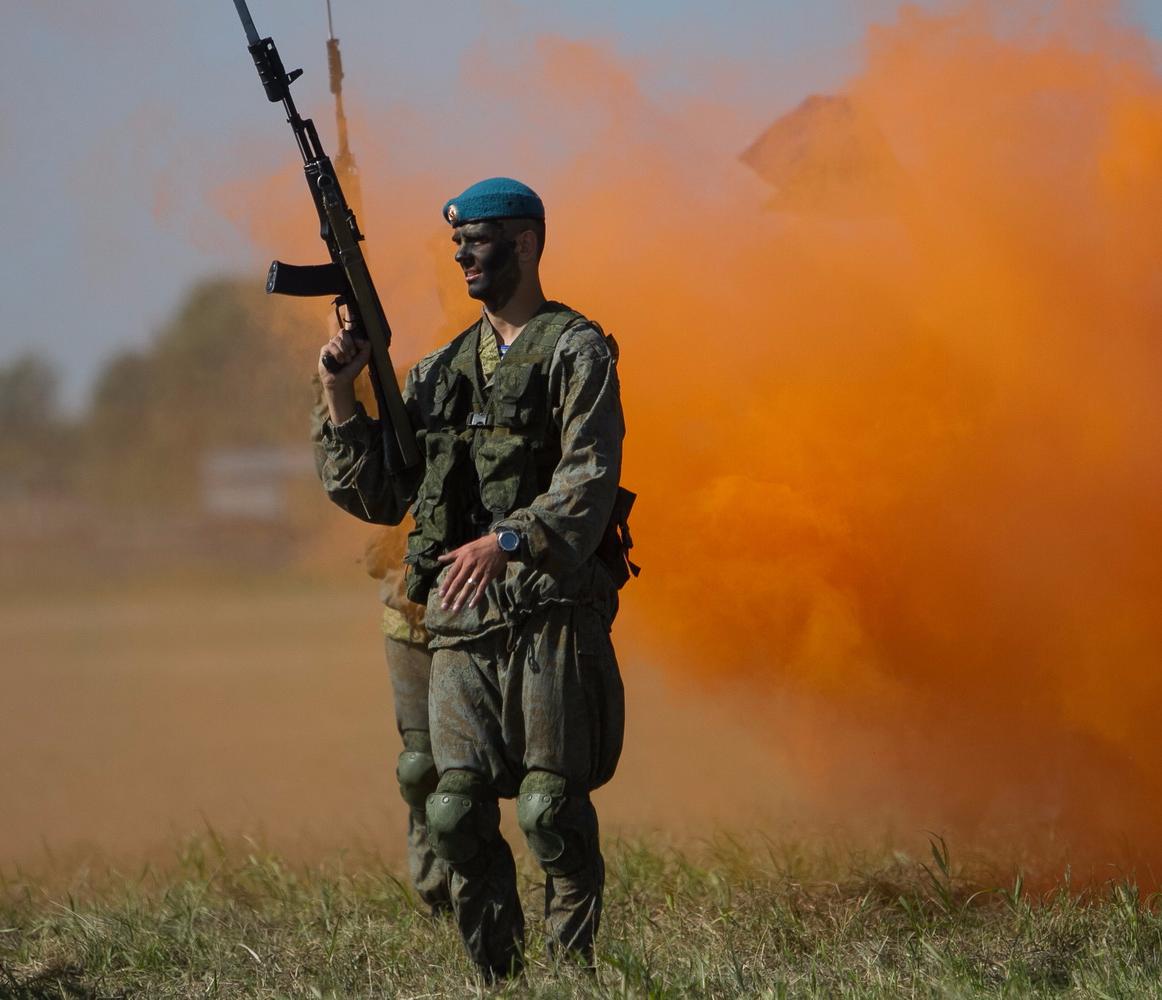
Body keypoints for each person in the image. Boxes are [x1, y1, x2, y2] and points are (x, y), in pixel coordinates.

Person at [314, 177, 627, 980]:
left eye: (479, 241)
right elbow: (381, 493)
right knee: (452, 810)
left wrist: (510, 540)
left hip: (551, 614)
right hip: (460, 625)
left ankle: (573, 972)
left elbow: (588, 481)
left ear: (525, 243)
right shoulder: (439, 370)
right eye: (457, 244)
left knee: (549, 808)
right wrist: (340, 393)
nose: (463, 256)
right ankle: (501, 977)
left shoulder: (576, 351)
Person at [310, 396, 451, 915]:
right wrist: (338, 382)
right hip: (410, 605)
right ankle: (442, 897)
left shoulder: (485, 348)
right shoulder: (369, 359)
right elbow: (343, 464)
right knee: (422, 769)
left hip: (486, 601)